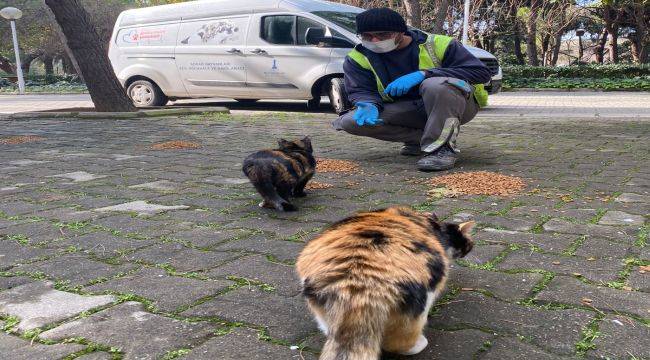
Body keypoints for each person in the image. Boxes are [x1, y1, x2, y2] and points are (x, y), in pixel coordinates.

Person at [333, 8, 492, 171]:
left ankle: (440, 149)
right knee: (349, 122)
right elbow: (361, 89)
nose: (374, 40)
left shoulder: (439, 44)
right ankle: (422, 138)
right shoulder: (357, 57)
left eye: (382, 34)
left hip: (456, 105)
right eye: (367, 36)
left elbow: (481, 72)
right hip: (408, 109)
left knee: (435, 85)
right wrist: (367, 103)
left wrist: (426, 74)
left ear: (401, 32)